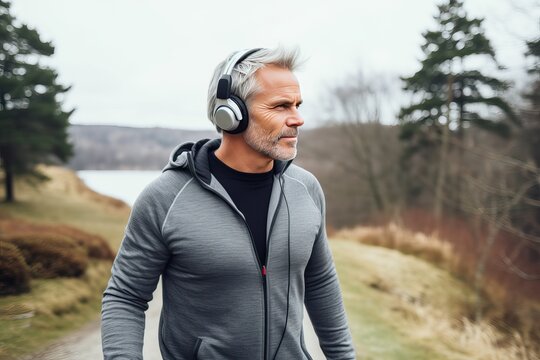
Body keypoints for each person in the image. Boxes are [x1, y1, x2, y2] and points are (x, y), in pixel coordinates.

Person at [101, 46, 356, 360]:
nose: (298, 119)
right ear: (231, 113)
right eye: (281, 106)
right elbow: (125, 296)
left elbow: (320, 282)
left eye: (298, 105)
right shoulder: (165, 197)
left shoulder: (306, 189)